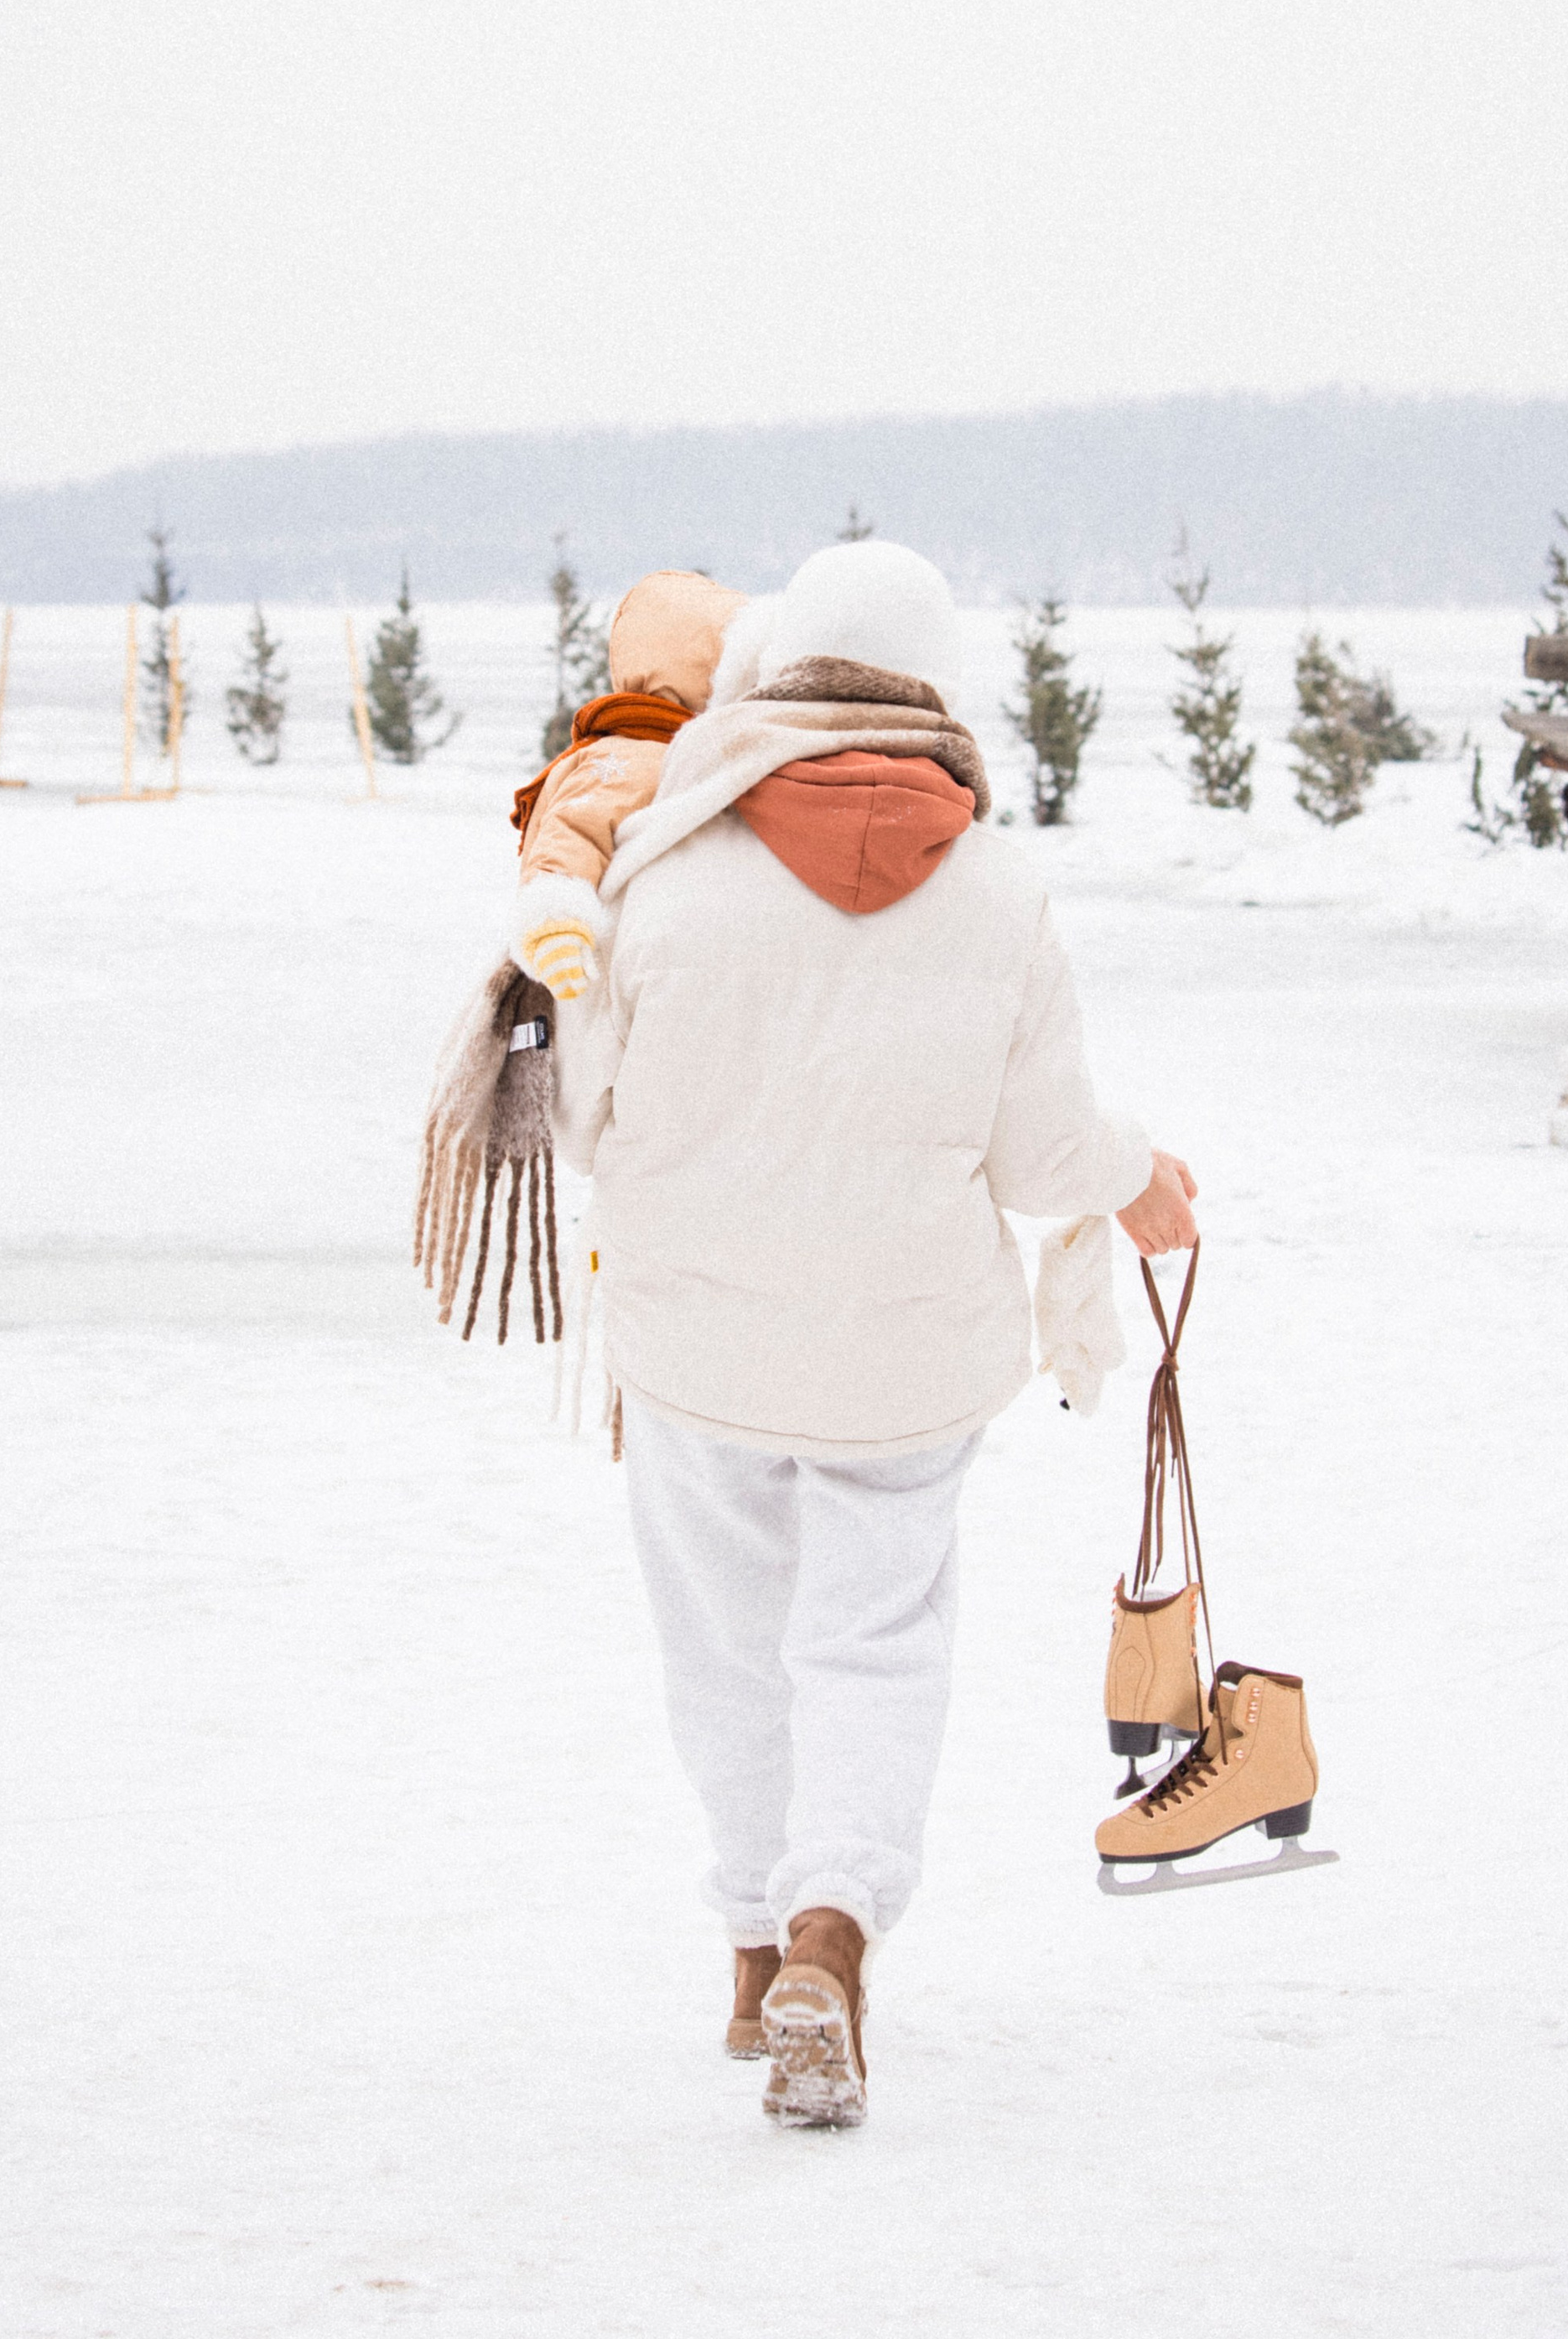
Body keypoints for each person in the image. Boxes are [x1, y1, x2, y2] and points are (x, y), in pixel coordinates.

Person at [554, 542, 1198, 2128]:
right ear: (936, 689)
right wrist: (1143, 1179)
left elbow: (579, 1110)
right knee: (871, 1649)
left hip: (698, 1348)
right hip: (907, 1369)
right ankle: (834, 1937)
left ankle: (752, 1948)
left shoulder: (658, 867)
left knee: (728, 1653)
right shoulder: (998, 891)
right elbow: (1048, 1157)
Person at [507, 569, 746, 995]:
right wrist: (556, 923)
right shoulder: (635, 754)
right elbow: (574, 828)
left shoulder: (669, 745)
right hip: (596, 966)